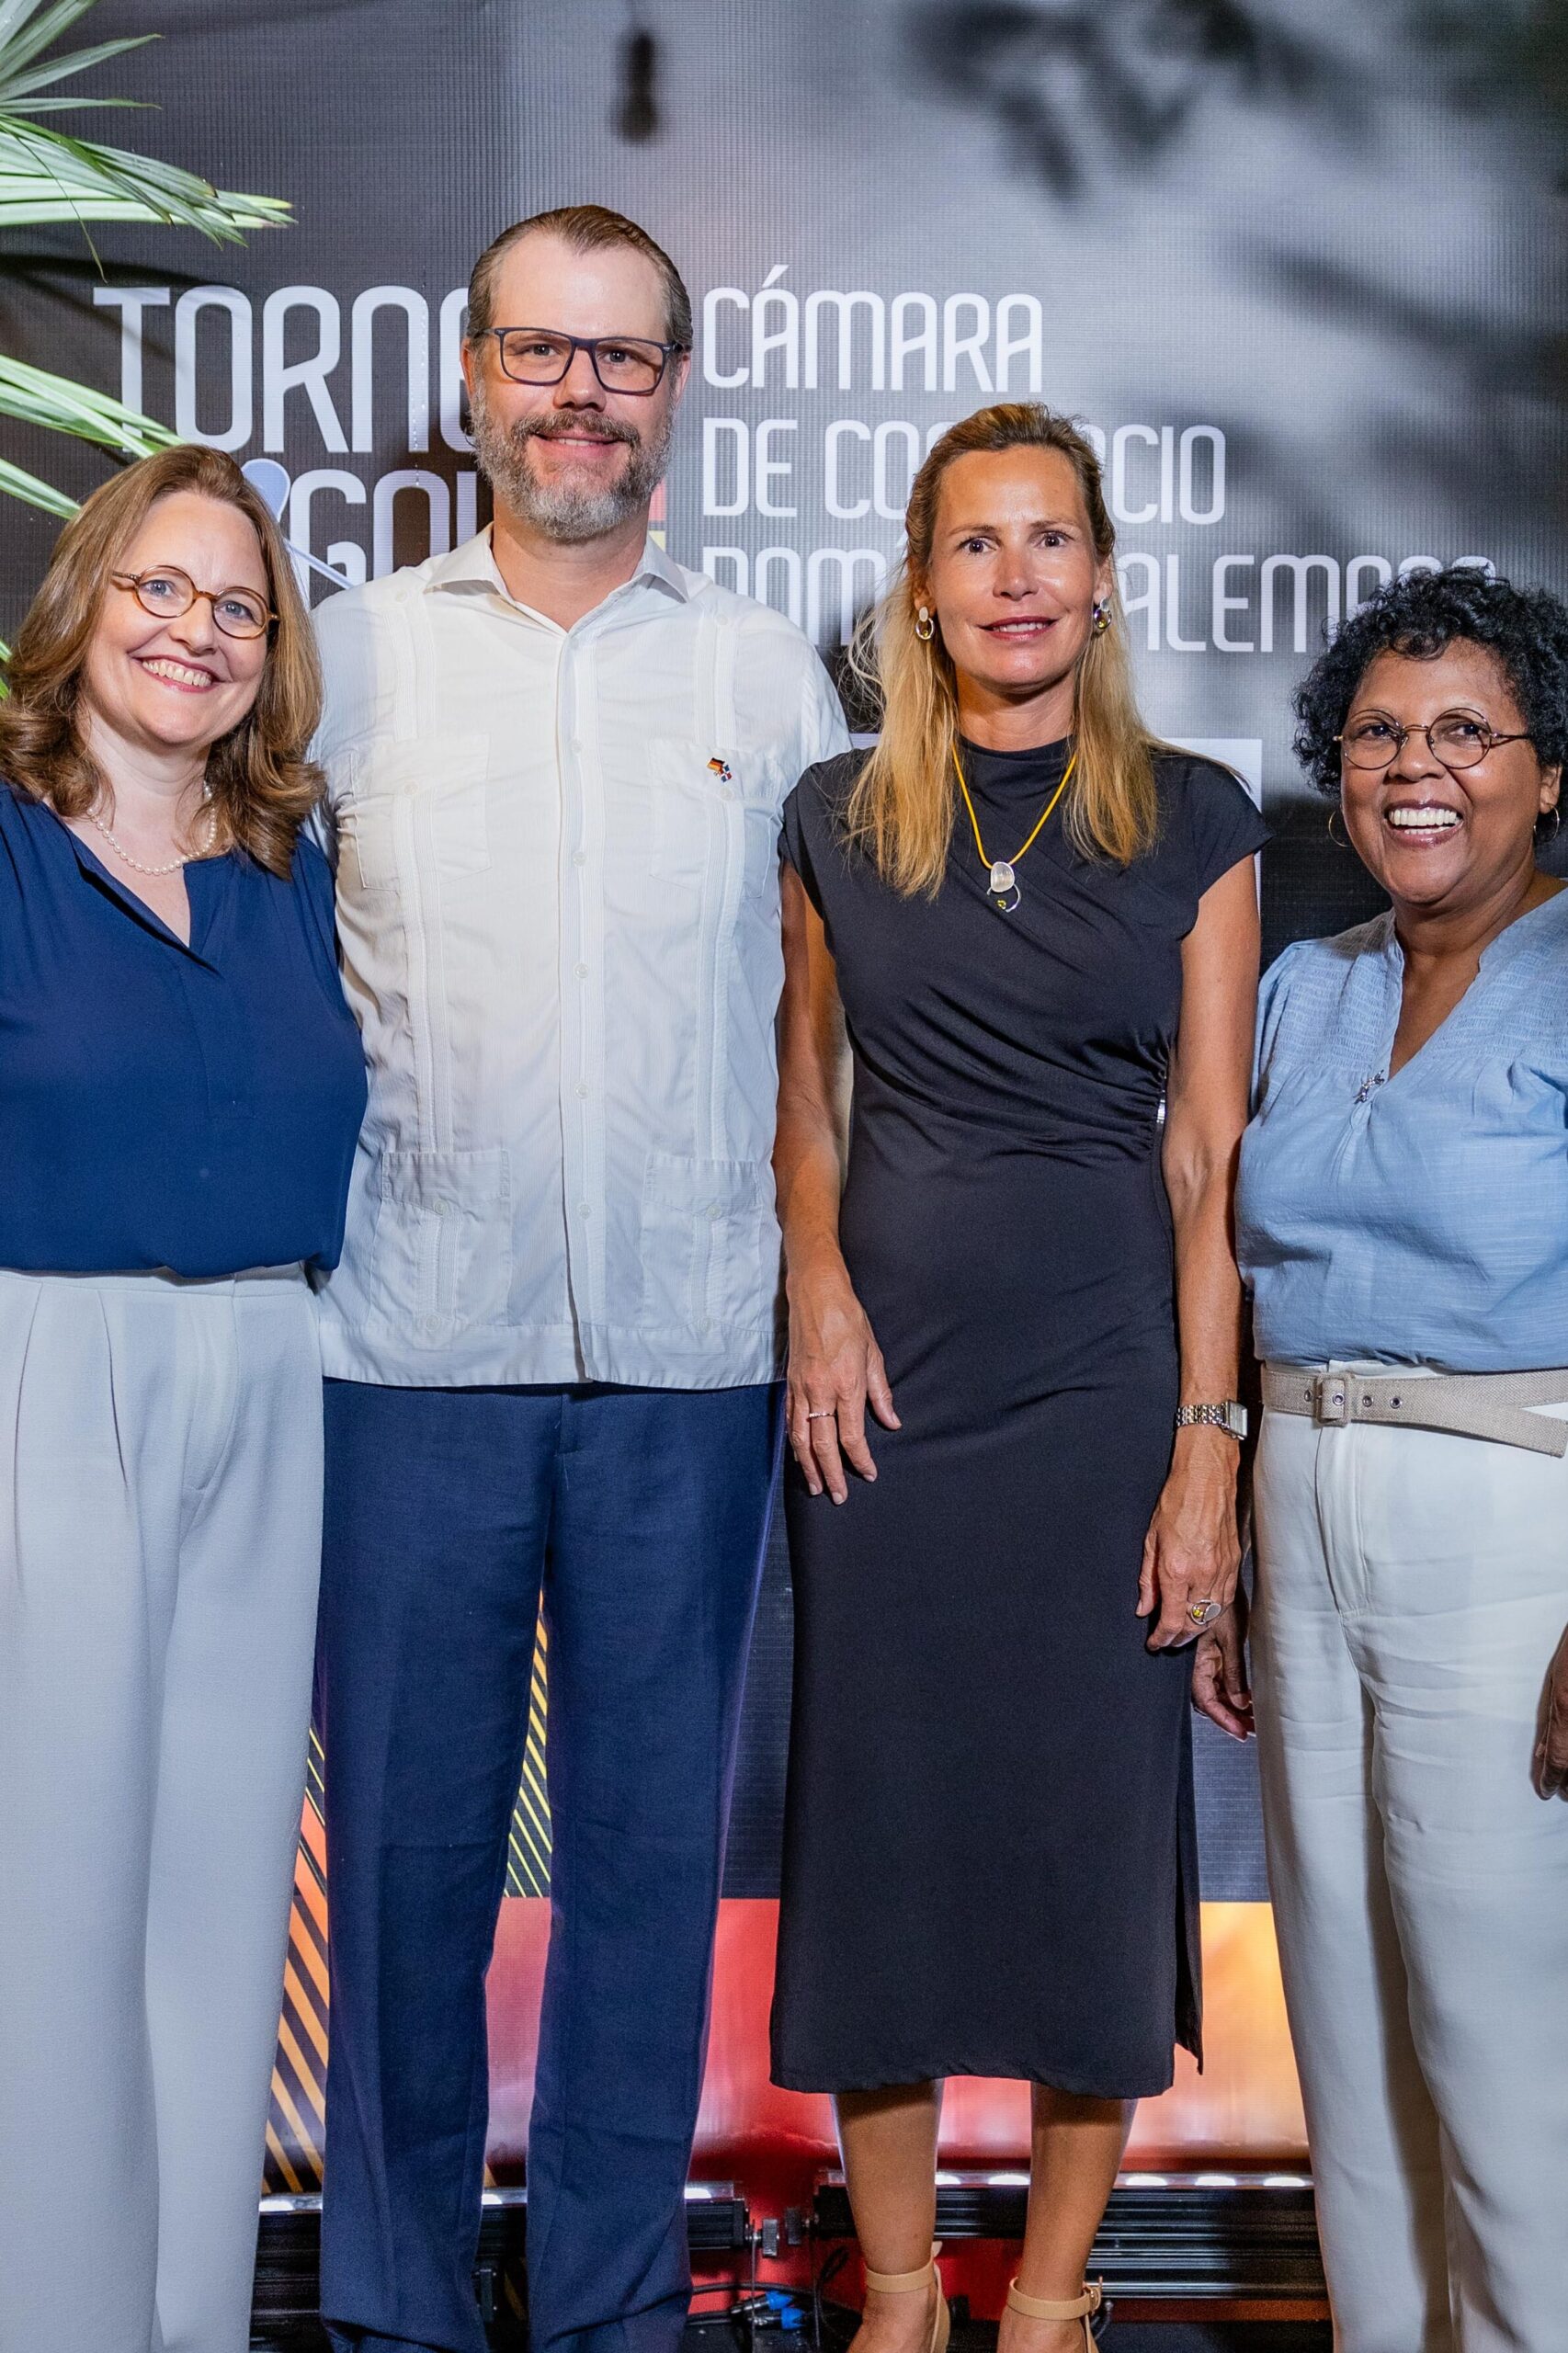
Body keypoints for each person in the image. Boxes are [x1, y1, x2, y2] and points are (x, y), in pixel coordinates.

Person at [310, 203, 847, 2353]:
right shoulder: (344, 657)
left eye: (623, 358)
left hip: (693, 1355)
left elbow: (817, 1032)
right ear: (471, 376)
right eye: (542, 350)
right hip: (404, 1346)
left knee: (642, 1877)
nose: (581, 396)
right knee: (407, 1871)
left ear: (675, 391)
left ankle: (615, 2301)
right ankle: (395, 2307)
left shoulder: (763, 676)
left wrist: (813, 1272)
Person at [769, 402, 1267, 2353]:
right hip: (880, 1396)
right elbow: (808, 1097)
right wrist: (817, 1286)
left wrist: (1206, 1442)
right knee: (876, 1826)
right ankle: (898, 2296)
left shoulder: (1196, 816)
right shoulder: (834, 811)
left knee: (1082, 1838)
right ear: (920, 587)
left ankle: (1049, 2301)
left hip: (1100, 1391)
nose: (1015, 578)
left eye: (1049, 538)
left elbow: (1206, 1153)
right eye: (975, 544)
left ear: (1104, 577)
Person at [0, 446, 367, 2353]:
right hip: (50, 1371)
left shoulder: (298, 868)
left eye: (238, 604)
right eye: (160, 587)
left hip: (268, 1374)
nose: (196, 632)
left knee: (221, 1911)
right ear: (83, 602)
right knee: (50, 1909)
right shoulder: (5, 840)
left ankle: (183, 2326)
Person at [1196, 565, 1568, 2353]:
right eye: (1375, 735)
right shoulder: (1304, 987)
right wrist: (1228, 1521)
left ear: (1546, 771)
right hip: (1302, 1507)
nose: (1415, 769)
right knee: (1339, 2029)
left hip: (1508, 1525)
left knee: (1498, 2038)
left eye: (1463, 733)